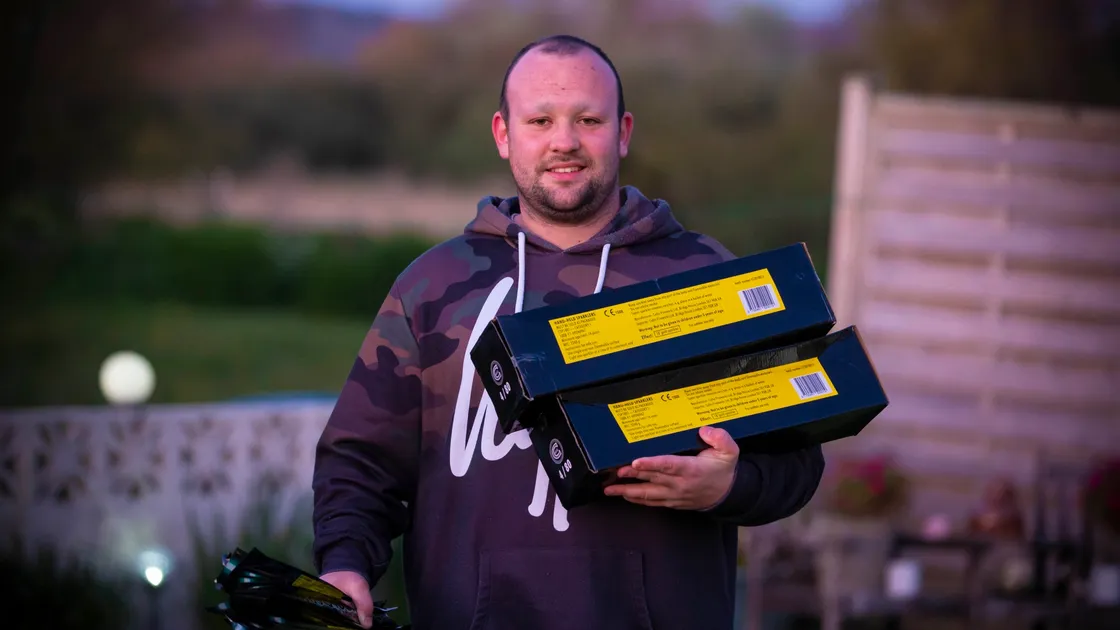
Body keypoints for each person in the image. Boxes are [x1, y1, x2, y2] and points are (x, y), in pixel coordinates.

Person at [312, 34, 825, 630]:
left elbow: (798, 460)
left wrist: (729, 485)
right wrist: (344, 566)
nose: (565, 141)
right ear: (504, 134)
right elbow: (360, 462)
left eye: (588, 118)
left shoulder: (705, 278)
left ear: (623, 131)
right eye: (541, 119)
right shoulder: (431, 287)